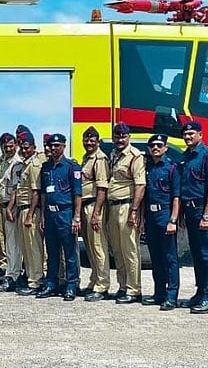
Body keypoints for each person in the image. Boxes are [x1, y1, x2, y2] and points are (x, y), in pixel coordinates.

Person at [177, 121, 208, 314]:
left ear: (201, 135)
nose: (188, 137)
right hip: (190, 210)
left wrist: (206, 214)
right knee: (196, 253)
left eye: (191, 134)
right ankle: (200, 291)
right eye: (185, 135)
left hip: (204, 209)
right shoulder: (185, 157)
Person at [35, 133, 82, 300]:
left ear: (64, 146)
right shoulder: (45, 168)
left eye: (57, 145)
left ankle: (71, 285)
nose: (53, 148)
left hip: (66, 212)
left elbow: (77, 194)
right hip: (49, 213)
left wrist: (76, 217)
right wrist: (41, 216)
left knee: (70, 251)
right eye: (51, 146)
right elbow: (42, 194)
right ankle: (51, 283)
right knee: (52, 251)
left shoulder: (71, 167)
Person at [106, 122, 146, 304]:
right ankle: (122, 286)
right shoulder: (114, 154)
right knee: (117, 250)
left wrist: (134, 211)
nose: (120, 139)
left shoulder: (135, 156)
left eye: (123, 136)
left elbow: (140, 184)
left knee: (130, 249)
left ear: (128, 137)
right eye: (117, 136)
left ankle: (134, 289)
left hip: (127, 206)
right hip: (113, 207)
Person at [141, 134, 181, 311]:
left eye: (159, 145)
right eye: (152, 145)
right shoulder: (147, 167)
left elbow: (176, 197)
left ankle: (171, 296)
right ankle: (159, 294)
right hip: (150, 216)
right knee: (155, 257)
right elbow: (144, 196)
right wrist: (142, 219)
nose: (155, 148)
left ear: (165, 147)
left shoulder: (172, 168)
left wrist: (173, 220)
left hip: (165, 214)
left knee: (170, 258)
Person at [7, 126, 45, 296]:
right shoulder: (22, 165)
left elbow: (36, 191)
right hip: (21, 209)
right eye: (21, 146)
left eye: (27, 147)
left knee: (33, 247)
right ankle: (30, 276)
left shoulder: (35, 165)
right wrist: (12, 208)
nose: (24, 149)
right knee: (25, 248)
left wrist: (30, 215)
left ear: (34, 147)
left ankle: (35, 280)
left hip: (31, 210)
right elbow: (17, 188)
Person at [78, 126, 111, 302]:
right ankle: (94, 280)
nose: (88, 143)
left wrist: (97, 213)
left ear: (97, 142)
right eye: (86, 140)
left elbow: (102, 188)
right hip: (84, 205)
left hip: (93, 206)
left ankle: (102, 285)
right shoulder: (86, 158)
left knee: (99, 247)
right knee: (90, 247)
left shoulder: (99, 159)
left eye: (92, 140)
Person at [0, 132, 22, 292]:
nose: (8, 148)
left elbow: (16, 188)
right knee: (6, 241)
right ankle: (11, 271)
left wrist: (11, 208)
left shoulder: (17, 163)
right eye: (5, 146)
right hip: (2, 204)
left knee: (13, 244)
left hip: (12, 207)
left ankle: (14, 275)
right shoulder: (2, 161)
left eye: (11, 145)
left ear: (16, 145)